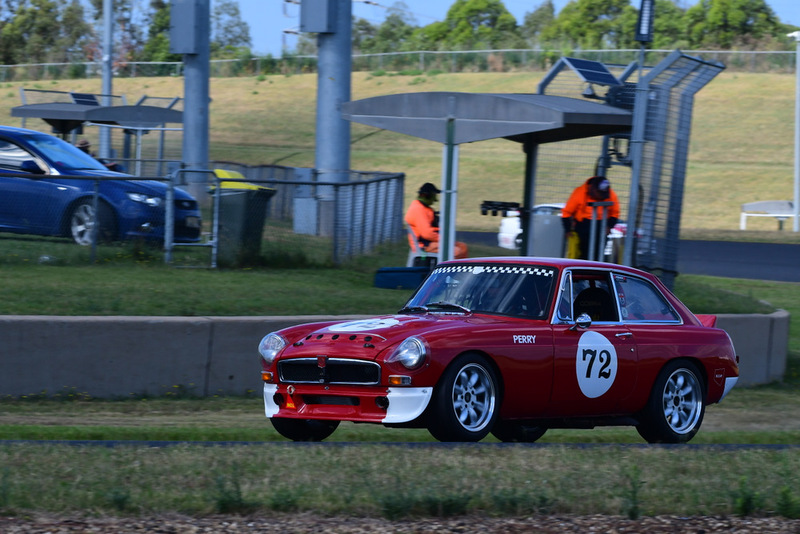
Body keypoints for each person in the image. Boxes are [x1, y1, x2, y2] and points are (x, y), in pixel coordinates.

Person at [405, 182, 468, 260]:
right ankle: (448, 271)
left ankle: (461, 271)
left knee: (463, 247)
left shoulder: (424, 208)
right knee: (456, 252)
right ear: (427, 195)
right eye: (434, 196)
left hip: (432, 241)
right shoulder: (418, 209)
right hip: (425, 245)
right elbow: (427, 234)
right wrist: (445, 239)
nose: (435, 200)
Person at [561, 176, 620, 261]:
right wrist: (568, 230)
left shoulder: (611, 194)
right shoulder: (579, 193)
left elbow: (615, 212)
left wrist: (610, 226)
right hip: (583, 227)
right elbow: (566, 212)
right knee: (583, 254)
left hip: (602, 226)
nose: (601, 197)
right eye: (599, 193)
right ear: (592, 189)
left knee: (599, 253)